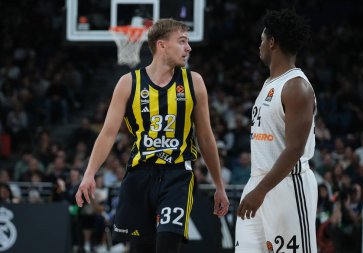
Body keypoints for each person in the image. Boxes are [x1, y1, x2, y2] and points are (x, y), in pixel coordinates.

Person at [76, 18, 229, 253]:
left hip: (177, 175)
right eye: (182, 41)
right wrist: (89, 174)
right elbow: (107, 134)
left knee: (167, 245)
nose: (188, 47)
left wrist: (219, 185)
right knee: (141, 249)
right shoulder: (128, 83)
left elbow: (206, 137)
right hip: (139, 176)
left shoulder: (193, 82)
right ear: (162, 45)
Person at [235, 9, 318, 253]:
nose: (259, 45)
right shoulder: (269, 83)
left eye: (262, 39)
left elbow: (294, 149)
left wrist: (260, 191)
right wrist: (256, 188)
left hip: (289, 186)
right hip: (258, 183)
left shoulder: (297, 87)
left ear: (272, 42)